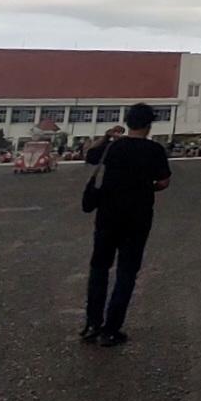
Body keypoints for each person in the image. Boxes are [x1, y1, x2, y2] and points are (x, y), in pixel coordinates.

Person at [82, 103, 172, 347]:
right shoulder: (154, 150)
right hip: (137, 217)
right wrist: (145, 188)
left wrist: (105, 136)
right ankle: (111, 329)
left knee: (99, 268)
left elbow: (89, 155)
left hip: (108, 214)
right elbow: (163, 181)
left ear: (128, 122)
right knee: (126, 272)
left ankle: (92, 323)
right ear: (148, 125)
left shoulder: (113, 147)